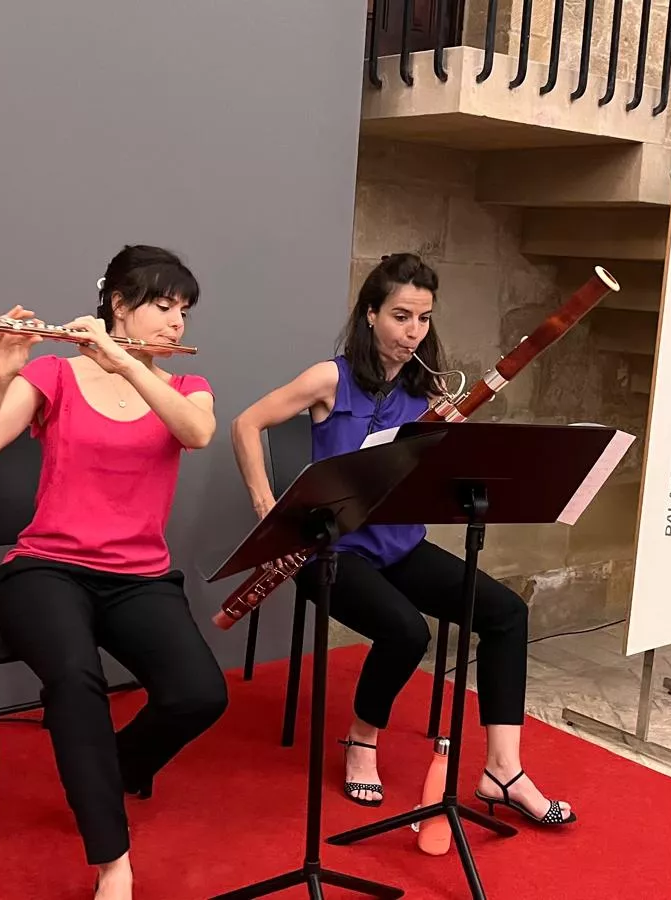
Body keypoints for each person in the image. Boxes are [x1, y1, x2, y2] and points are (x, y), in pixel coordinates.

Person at [228, 253, 575, 828]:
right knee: (406, 631)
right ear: (370, 315)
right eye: (400, 316)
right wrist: (268, 508)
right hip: (328, 550)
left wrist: (447, 442)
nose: (412, 332)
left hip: (399, 546)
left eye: (423, 319)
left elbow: (427, 481)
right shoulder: (329, 378)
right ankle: (362, 740)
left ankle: (503, 771)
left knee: (506, 613)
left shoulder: (428, 393)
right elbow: (246, 424)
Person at [0, 245, 228, 900]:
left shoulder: (185, 387)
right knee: (77, 683)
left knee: (200, 693)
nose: (175, 324)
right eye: (162, 307)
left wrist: (131, 369)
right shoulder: (54, 373)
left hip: (140, 577)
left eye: (184, 311)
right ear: (117, 304)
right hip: (45, 569)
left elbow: (197, 434)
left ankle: (106, 769)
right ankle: (113, 862)